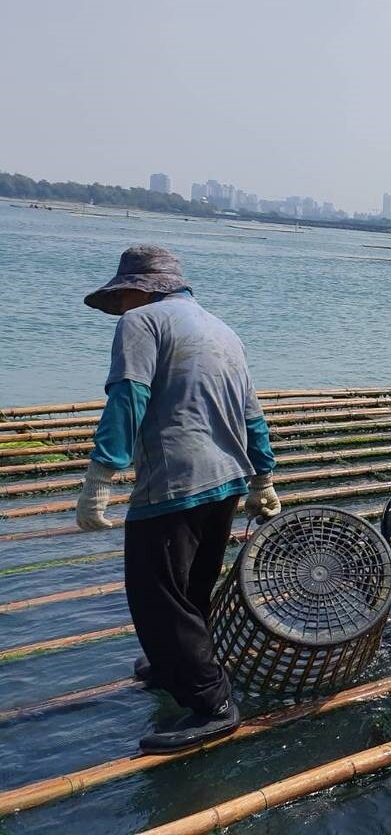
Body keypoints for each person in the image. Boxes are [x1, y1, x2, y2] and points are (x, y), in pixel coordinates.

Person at [74, 245, 282, 753]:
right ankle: (175, 665)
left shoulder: (141, 322)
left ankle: (212, 704)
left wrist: (102, 473)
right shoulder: (222, 330)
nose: (119, 308)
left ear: (137, 289)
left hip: (175, 481)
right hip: (227, 478)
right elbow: (251, 411)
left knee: (157, 598)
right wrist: (262, 477)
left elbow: (129, 394)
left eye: (120, 296)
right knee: (191, 588)